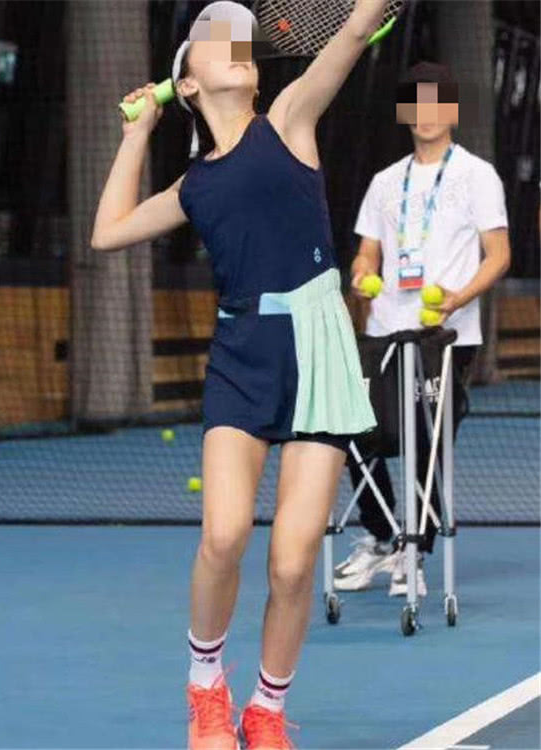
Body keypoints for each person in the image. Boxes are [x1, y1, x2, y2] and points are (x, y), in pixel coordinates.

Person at [91, 1, 387, 747]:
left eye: (237, 39)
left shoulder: (289, 119)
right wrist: (137, 134)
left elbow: (356, 29)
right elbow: (107, 233)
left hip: (319, 349)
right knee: (223, 537)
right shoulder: (192, 187)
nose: (231, 45)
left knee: (291, 563)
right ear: (187, 83)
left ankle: (266, 710)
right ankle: (205, 689)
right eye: (211, 40)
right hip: (241, 352)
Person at [334, 61, 511, 596]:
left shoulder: (478, 176)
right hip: (384, 332)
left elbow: (498, 255)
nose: (426, 112)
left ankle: (415, 551)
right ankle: (382, 535)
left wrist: (459, 298)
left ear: (451, 110)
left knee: (426, 443)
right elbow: (367, 253)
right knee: (356, 432)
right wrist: (361, 275)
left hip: (445, 336)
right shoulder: (385, 182)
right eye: (416, 102)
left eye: (436, 102)